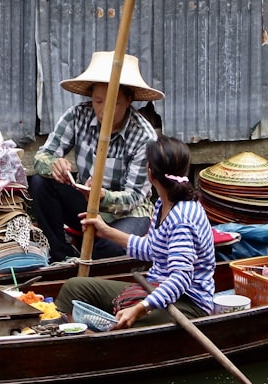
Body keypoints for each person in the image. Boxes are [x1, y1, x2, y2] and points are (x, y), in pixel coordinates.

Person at [54, 136, 216, 329]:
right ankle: (73, 336)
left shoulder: (183, 217)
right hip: (155, 288)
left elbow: (180, 278)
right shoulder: (163, 204)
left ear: (150, 174)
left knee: (120, 324)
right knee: (74, 287)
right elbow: (152, 248)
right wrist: (105, 231)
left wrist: (139, 308)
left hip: (188, 302)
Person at [30, 52, 162, 262]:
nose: (103, 110)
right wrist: (55, 165)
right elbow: (41, 157)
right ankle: (60, 255)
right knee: (39, 183)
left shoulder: (144, 137)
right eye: (98, 101)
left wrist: (103, 196)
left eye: (114, 103)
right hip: (85, 203)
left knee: (108, 248)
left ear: (129, 100)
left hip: (127, 213)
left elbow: (135, 197)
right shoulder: (77, 116)